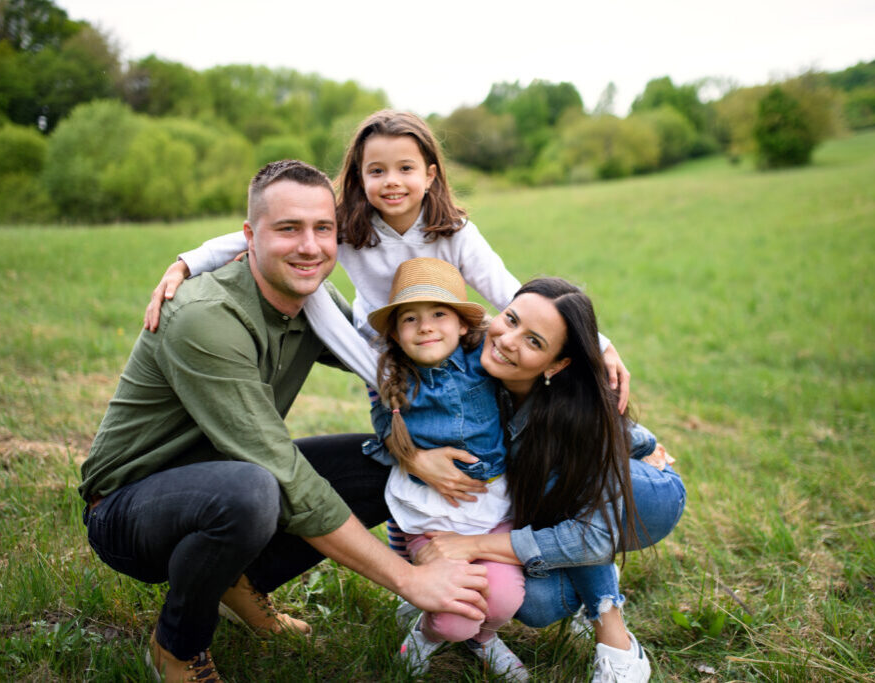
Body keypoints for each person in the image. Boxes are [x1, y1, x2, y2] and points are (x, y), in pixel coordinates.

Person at [79, 160, 488, 683]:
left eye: (323, 229)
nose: (310, 247)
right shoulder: (205, 316)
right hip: (129, 508)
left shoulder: (314, 302)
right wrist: (410, 581)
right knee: (253, 491)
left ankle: (237, 582)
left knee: (377, 465)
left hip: (229, 479)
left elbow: (401, 357)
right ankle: (177, 647)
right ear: (249, 236)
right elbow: (280, 468)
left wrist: (528, 352)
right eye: (289, 229)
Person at [143, 109, 632, 413]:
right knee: (404, 440)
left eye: (405, 168)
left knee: (481, 422)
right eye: (377, 170)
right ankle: (413, 545)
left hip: (454, 347)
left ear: (431, 175)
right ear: (359, 175)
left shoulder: (456, 232)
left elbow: (508, 292)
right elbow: (257, 235)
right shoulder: (349, 226)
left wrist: (600, 343)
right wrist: (186, 264)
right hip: (384, 353)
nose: (391, 181)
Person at [395, 278, 686, 683]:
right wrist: (411, 455)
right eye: (510, 319)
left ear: (556, 364)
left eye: (533, 342)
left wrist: (471, 545)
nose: (508, 340)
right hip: (571, 502)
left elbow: (593, 536)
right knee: (533, 602)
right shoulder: (466, 353)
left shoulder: (572, 416)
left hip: (645, 496)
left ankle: (617, 643)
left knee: (555, 483)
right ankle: (582, 579)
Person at [366, 257, 528, 680]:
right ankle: (429, 633)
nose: (425, 326)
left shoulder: (485, 364)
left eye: (439, 313)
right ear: (397, 334)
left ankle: (486, 637)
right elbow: (384, 422)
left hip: (491, 505)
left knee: (504, 601)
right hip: (432, 516)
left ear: (462, 325)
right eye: (410, 319)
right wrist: (409, 454)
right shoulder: (394, 377)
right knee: (453, 618)